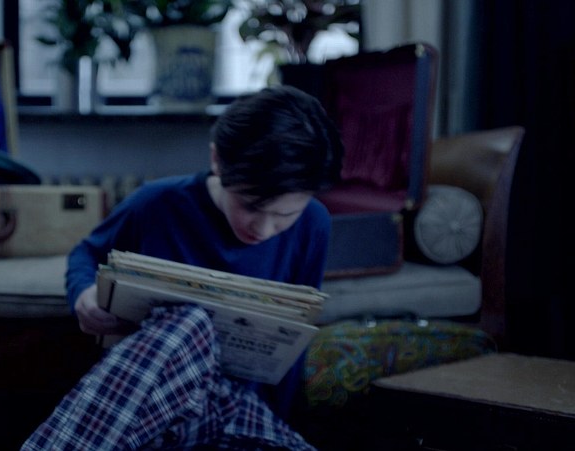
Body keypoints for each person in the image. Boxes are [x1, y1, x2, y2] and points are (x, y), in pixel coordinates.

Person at [22, 85, 343, 450]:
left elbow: (294, 343)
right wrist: (84, 293)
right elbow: (86, 253)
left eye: (285, 215)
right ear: (217, 161)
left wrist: (280, 423)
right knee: (190, 323)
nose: (265, 228)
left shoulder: (313, 224)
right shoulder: (156, 204)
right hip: (156, 405)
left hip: (242, 411)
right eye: (251, 206)